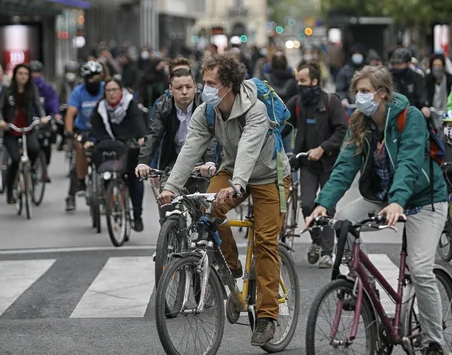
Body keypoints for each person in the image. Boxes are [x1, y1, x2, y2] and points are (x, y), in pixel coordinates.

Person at [305, 65, 448, 355]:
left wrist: (398, 201)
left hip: (423, 199)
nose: (360, 97)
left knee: (420, 270)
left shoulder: (412, 118)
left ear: (382, 94)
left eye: (366, 92)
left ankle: (434, 341)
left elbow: (409, 163)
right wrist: (323, 204)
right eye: (357, 92)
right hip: (383, 197)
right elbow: (345, 166)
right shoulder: (360, 122)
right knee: (342, 220)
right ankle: (365, 286)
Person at [157, 52, 292, 346]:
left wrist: (237, 186)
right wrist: (171, 187)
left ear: (228, 85)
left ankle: (268, 317)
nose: (204, 88)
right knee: (205, 210)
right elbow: (190, 149)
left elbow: (248, 149)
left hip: (270, 175)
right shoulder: (206, 111)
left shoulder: (254, 109)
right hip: (232, 170)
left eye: (210, 83)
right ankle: (230, 269)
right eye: (203, 82)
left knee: (266, 243)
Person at [284, 61, 348, 268]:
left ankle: (328, 252)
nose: (299, 85)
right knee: (307, 204)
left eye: (303, 81)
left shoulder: (331, 102)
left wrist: (323, 148)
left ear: (314, 81)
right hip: (307, 164)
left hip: (329, 163)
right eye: (297, 81)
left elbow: (342, 130)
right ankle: (317, 241)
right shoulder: (296, 103)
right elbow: (282, 127)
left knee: (327, 206)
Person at [135, 67, 216, 202]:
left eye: (188, 87)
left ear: (195, 88)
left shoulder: (206, 106)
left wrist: (210, 161)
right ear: (170, 90)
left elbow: (212, 137)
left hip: (201, 163)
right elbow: (153, 135)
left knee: (208, 212)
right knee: (166, 205)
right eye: (179, 88)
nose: (184, 92)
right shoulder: (162, 108)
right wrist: (144, 162)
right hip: (173, 163)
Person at [89, 78, 148, 231]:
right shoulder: (100, 108)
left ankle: (137, 215)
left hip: (129, 146)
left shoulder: (130, 105)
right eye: (108, 90)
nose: (112, 93)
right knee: (106, 173)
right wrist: (90, 140)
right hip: (111, 147)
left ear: (121, 91)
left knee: (135, 178)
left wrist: (141, 137)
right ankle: (111, 201)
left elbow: (139, 123)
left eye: (115, 90)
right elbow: (95, 127)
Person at [0, 64, 49, 204]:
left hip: (27, 128)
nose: (23, 76)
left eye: (26, 74)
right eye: (20, 73)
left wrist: (42, 117)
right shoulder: (7, 90)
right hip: (11, 129)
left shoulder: (32, 90)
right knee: (14, 159)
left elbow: (38, 105)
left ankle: (30, 171)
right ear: (15, 75)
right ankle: (9, 192)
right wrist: (1, 120)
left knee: (35, 149)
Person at [65, 61, 105, 205]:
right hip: (83, 129)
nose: (93, 81)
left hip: (102, 129)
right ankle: (79, 184)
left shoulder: (106, 88)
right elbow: (70, 113)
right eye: (90, 78)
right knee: (81, 149)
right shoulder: (78, 92)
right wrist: (69, 132)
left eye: (96, 77)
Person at [29, 60, 62, 181]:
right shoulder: (25, 89)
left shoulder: (47, 88)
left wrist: (55, 114)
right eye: (32, 73)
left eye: (37, 73)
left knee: (46, 144)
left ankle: (45, 168)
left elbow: (53, 101)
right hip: (29, 123)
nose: (35, 75)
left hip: (44, 121)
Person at [389, 47, 430, 117]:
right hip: (393, 112)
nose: (396, 66)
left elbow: (422, 95)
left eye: (399, 64)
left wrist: (424, 106)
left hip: (413, 113)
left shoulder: (417, 77)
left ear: (408, 63)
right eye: (394, 64)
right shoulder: (389, 76)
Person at [426, 55, 452, 129]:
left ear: (443, 66)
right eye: (434, 65)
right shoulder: (426, 80)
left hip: (448, 114)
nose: (437, 68)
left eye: (439, 65)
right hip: (430, 114)